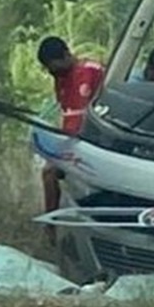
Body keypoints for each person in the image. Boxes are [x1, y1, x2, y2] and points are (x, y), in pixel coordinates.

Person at [35, 36, 105, 225]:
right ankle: (51, 225)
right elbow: (66, 112)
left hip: (92, 141)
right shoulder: (60, 79)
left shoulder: (93, 70)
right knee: (48, 173)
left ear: (66, 55)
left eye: (55, 66)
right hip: (68, 144)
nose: (52, 72)